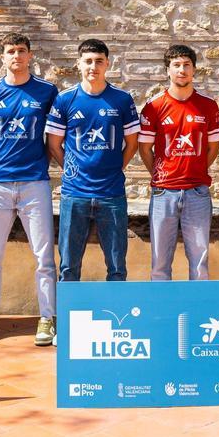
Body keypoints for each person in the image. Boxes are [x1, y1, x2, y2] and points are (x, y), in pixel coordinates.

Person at [0, 33, 60, 347]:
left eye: (21, 51)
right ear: (3, 57)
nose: (16, 56)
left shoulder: (48, 92)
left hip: (35, 182)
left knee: (44, 257)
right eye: (10, 51)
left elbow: (54, 136)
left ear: (30, 55)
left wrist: (40, 163)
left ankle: (47, 318)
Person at [45, 38, 140, 283]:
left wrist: (117, 166)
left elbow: (132, 143)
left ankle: (117, 317)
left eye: (99, 61)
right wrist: (71, 168)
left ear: (107, 64)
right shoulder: (65, 99)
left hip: (112, 194)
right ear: (79, 64)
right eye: (88, 61)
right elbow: (54, 144)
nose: (93, 67)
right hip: (74, 193)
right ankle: (67, 318)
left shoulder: (121, 99)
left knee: (117, 266)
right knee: (68, 266)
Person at [138, 44, 219, 280]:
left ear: (194, 69)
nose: (182, 70)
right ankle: (162, 314)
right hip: (164, 192)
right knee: (160, 262)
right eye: (176, 65)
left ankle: (197, 312)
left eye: (186, 65)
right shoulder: (153, 106)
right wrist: (160, 174)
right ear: (168, 70)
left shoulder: (208, 105)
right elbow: (145, 148)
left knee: (199, 262)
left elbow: (213, 146)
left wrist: (197, 170)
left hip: (197, 191)